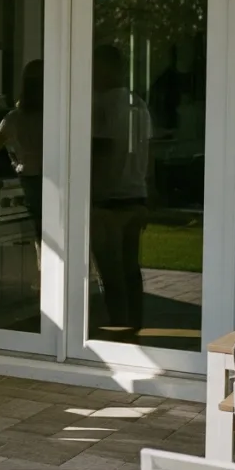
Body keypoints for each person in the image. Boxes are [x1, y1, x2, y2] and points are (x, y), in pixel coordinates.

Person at [89, 44, 152, 344]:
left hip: (108, 201)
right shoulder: (137, 103)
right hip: (135, 196)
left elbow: (101, 152)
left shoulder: (102, 104)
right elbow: (148, 155)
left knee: (111, 275)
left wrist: (87, 194)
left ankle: (119, 334)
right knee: (129, 270)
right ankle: (134, 327)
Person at [0, 59, 43, 242]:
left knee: (39, 233)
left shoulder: (15, 118)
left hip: (30, 180)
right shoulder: (58, 115)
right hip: (55, 180)